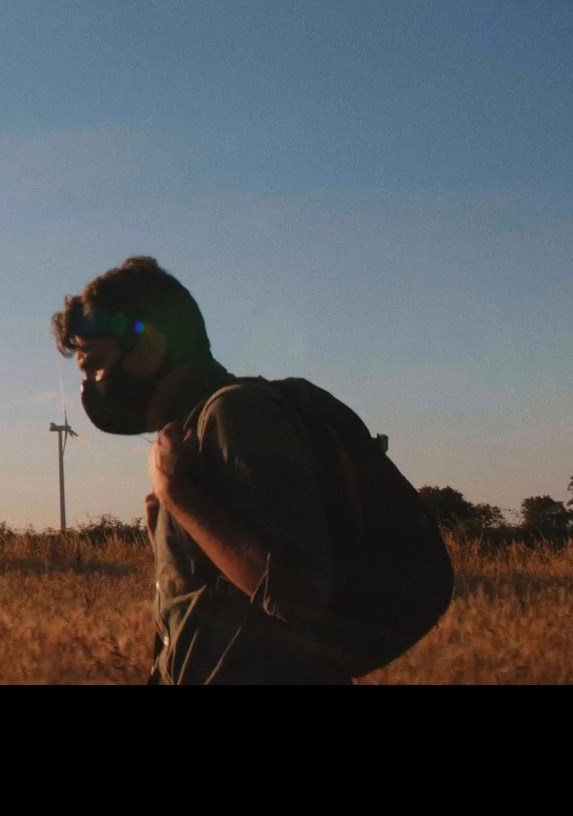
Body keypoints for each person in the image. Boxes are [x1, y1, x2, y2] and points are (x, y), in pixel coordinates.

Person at [53, 256, 350, 684]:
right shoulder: (197, 432)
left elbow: (298, 591)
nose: (91, 385)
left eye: (94, 362)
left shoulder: (237, 413)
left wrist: (180, 497)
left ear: (149, 347)